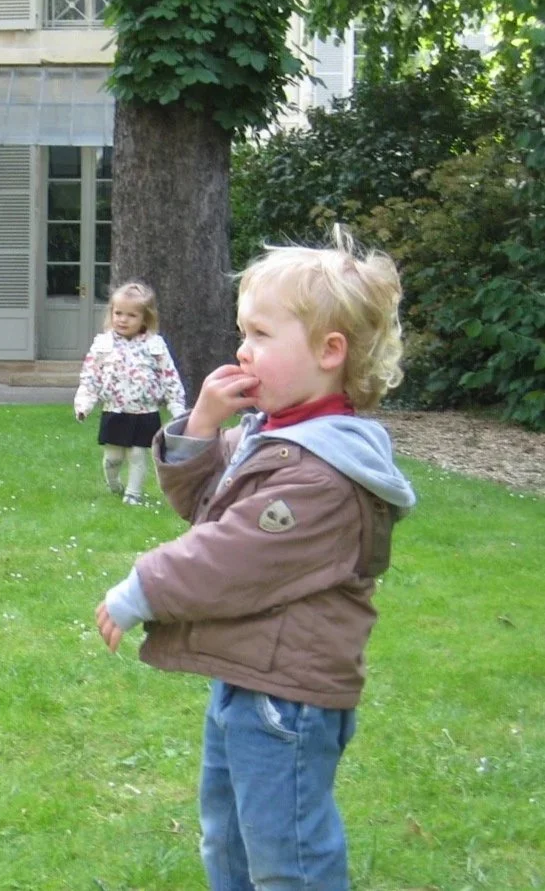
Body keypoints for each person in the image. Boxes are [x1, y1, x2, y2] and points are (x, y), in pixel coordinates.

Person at [94, 231, 417, 889]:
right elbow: (208, 506)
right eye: (243, 331)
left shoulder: (320, 472)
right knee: (230, 838)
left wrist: (141, 588)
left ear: (330, 352)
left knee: (287, 858)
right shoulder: (277, 435)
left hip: (285, 696)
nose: (243, 349)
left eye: (261, 334)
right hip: (249, 676)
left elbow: (229, 555)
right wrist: (203, 424)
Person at [73, 281, 188, 505]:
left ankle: (133, 494)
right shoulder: (103, 345)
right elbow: (90, 377)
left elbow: (169, 376)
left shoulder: (155, 345)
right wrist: (83, 405)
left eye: (131, 315)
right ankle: (114, 482)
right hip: (115, 410)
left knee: (137, 454)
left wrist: (177, 407)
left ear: (145, 318)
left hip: (145, 411)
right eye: (118, 313)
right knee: (114, 457)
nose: (123, 320)